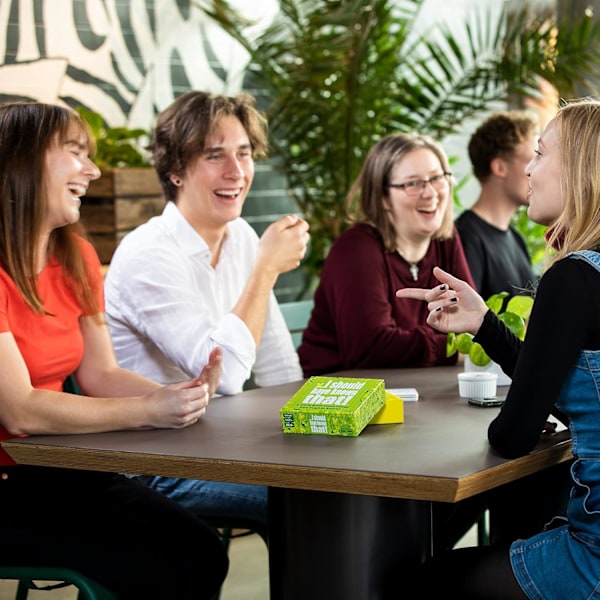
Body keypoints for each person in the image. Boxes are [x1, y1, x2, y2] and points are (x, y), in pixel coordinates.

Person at [0, 101, 228, 599]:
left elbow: (100, 373)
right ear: (21, 161)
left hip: (60, 471)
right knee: (174, 565)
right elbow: (19, 409)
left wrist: (177, 395)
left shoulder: (76, 255)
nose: (93, 170)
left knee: (201, 550)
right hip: (7, 490)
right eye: (75, 153)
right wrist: (148, 409)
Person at [396, 97, 600, 599]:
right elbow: (569, 395)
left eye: (541, 154)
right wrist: (485, 324)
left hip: (594, 559)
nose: (529, 169)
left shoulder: (573, 279)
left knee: (414, 584)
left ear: (580, 170)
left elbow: (513, 434)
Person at [104, 90, 309, 528]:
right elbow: (226, 376)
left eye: (244, 153)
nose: (236, 172)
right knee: (308, 504)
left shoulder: (243, 238)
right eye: (215, 156)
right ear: (176, 170)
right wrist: (266, 270)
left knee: (337, 490)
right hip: (156, 464)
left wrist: (310, 438)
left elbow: (276, 364)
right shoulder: (148, 254)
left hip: (222, 445)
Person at [298, 131, 476, 378]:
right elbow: (371, 348)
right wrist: (450, 349)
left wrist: (452, 343)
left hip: (420, 390)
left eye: (437, 178)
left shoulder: (445, 239)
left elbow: (470, 321)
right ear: (383, 197)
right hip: (338, 396)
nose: (431, 193)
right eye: (413, 183)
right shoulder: (356, 248)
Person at [455, 110, 539, 300]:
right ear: (500, 167)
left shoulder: (516, 238)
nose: (537, 170)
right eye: (531, 160)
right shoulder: (465, 237)